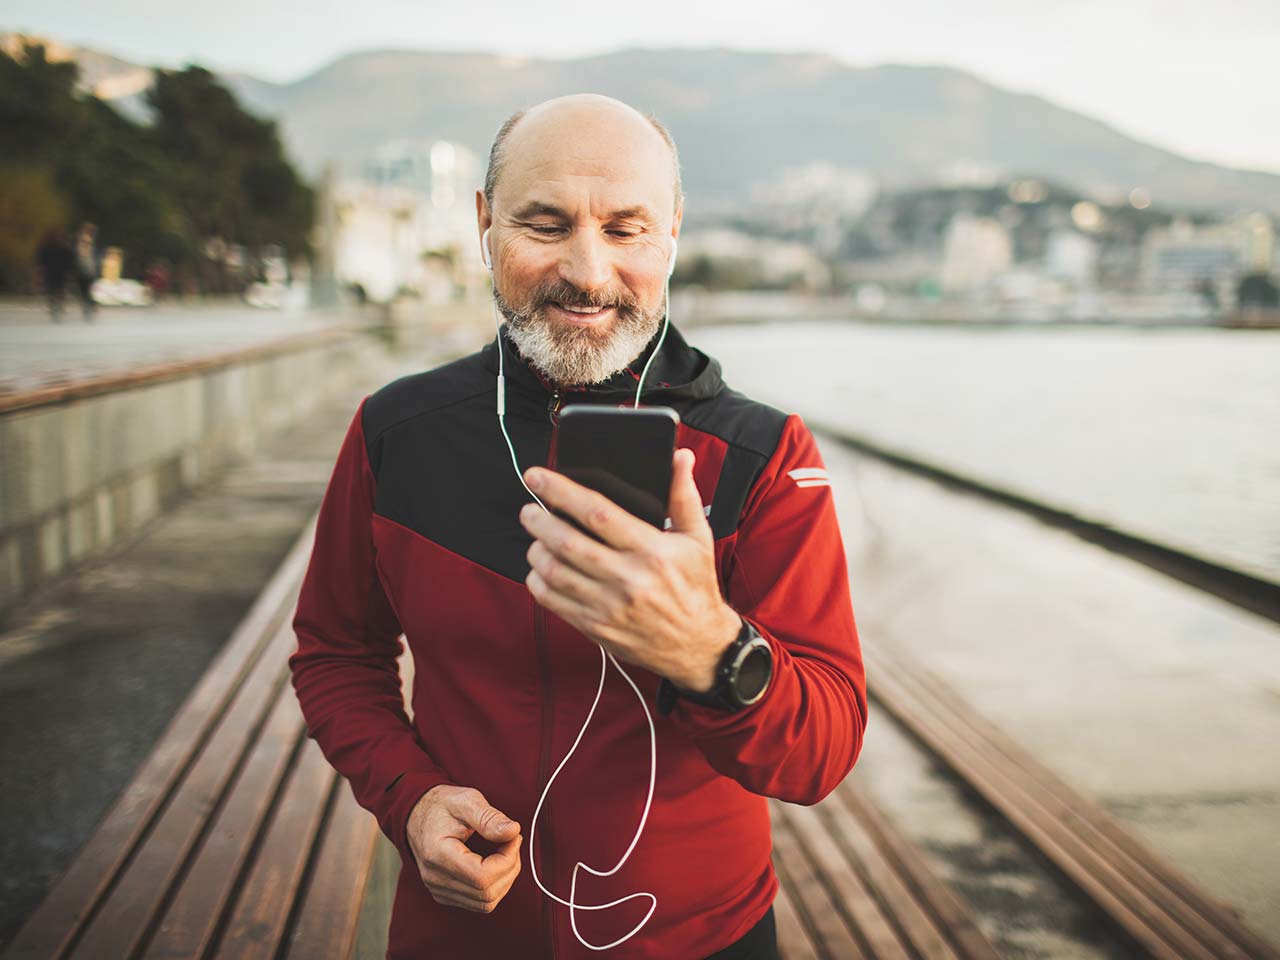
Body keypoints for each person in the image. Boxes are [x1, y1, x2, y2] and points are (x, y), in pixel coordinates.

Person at [289, 94, 867, 960]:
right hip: (460, 931)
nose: (588, 272)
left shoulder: (767, 454)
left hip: (701, 935)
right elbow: (335, 652)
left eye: (626, 229)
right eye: (545, 224)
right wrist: (410, 800)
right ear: (486, 224)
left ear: (672, 230)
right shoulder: (395, 432)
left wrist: (713, 653)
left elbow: (821, 751)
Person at [35, 227, 75, 322]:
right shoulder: (63, 246)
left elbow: (40, 260)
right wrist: (70, 271)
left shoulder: (45, 246)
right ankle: (58, 305)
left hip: (51, 272)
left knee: (52, 290)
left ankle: (55, 305)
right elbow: (69, 260)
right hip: (59, 272)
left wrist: (39, 270)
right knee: (58, 290)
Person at [73, 222, 99, 321]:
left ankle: (89, 307)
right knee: (85, 291)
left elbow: (85, 257)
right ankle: (89, 307)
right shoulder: (86, 242)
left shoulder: (86, 242)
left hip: (86, 270)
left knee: (85, 291)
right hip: (85, 270)